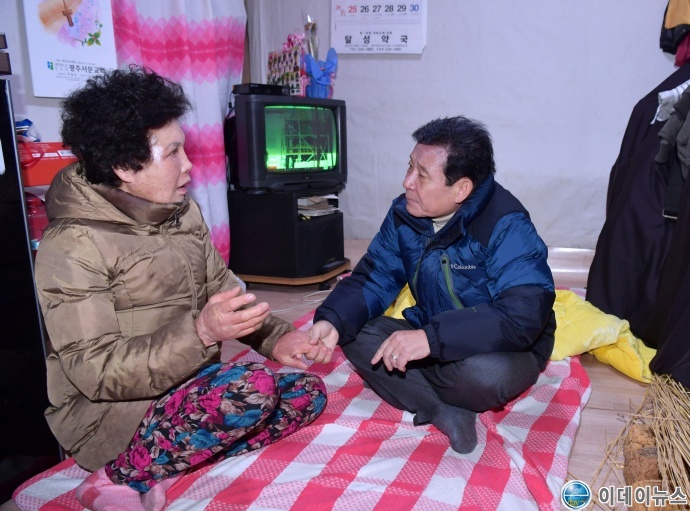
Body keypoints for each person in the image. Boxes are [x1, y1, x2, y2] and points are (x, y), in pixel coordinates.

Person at [34, 65, 329, 511]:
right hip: (110, 413)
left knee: (307, 393)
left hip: (188, 386)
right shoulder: (73, 245)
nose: (188, 165)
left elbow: (223, 292)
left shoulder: (181, 212)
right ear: (124, 167)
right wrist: (201, 332)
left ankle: (168, 461)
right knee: (251, 389)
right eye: (173, 153)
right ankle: (116, 476)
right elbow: (95, 373)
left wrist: (277, 337)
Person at [309, 116, 556, 454]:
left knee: (486, 377)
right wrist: (333, 320)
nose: (407, 181)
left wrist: (432, 340)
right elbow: (375, 275)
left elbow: (522, 315)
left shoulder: (506, 224)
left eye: (422, 175)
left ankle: (419, 384)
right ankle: (442, 409)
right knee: (354, 332)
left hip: (500, 349)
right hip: (431, 329)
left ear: (462, 189)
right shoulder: (405, 214)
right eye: (409, 166)